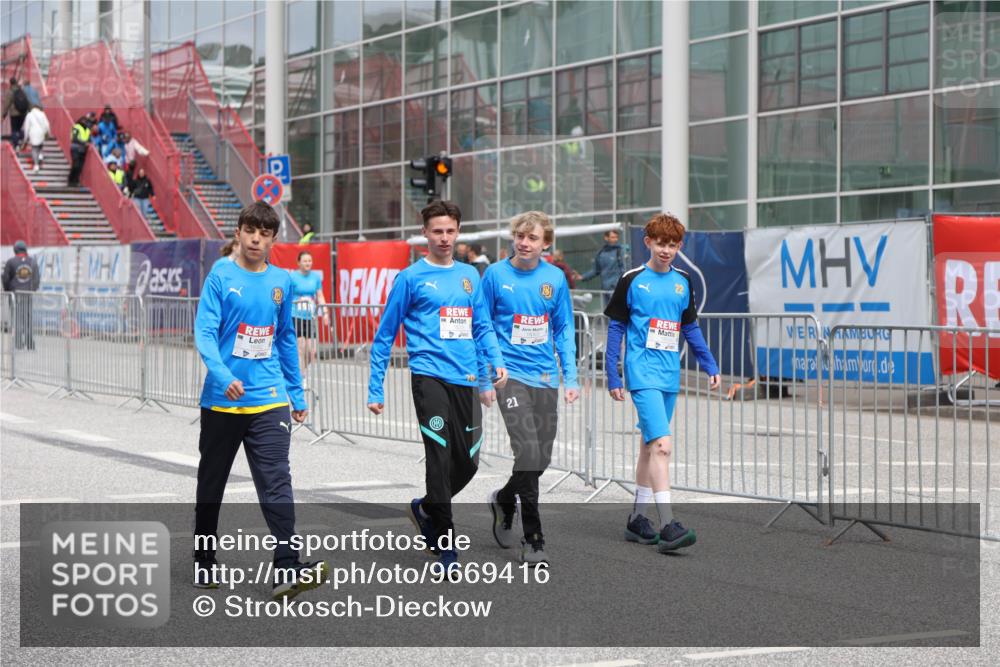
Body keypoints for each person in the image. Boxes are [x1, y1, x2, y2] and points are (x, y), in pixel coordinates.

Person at [367, 200, 507, 579]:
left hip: (465, 380)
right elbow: (383, 336)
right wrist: (374, 388)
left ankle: (426, 507)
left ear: (458, 232)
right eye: (437, 231)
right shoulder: (411, 278)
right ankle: (446, 545)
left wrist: (490, 369)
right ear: (425, 233)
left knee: (470, 462)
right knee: (440, 458)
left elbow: (480, 328)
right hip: (429, 378)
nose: (444, 238)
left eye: (450, 231)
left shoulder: (469, 276)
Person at [193, 201, 326, 599]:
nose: (256, 239)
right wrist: (223, 374)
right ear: (239, 232)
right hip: (222, 400)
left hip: (269, 397)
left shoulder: (282, 281)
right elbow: (204, 333)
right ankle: (204, 559)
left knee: (277, 479)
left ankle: (286, 565)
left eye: (265, 233)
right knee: (211, 485)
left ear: (273, 239)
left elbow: (285, 338)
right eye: (250, 230)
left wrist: (296, 393)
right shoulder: (220, 276)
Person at [605, 213, 721, 553]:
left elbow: (690, 328)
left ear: (679, 246)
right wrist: (614, 374)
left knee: (648, 446)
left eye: (672, 245)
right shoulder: (632, 280)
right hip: (641, 373)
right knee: (663, 446)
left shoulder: (683, 281)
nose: (666, 250)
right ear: (648, 243)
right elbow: (616, 328)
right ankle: (669, 523)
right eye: (660, 243)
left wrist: (709, 363)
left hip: (670, 373)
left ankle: (637, 520)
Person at [482, 211, 578, 566]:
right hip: (509, 377)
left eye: (532, 238)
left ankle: (505, 498)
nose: (524, 243)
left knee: (540, 458)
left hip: (545, 378)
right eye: (520, 236)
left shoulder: (554, 278)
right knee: (528, 451)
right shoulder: (494, 275)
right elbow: (482, 326)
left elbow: (564, 329)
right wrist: (486, 375)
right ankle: (534, 537)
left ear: (545, 243)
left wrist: (571, 377)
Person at [289, 250, 328, 379]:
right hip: (296, 315)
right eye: (305, 261)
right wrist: (297, 301)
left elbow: (320, 295)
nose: (308, 263)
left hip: (310, 316)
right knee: (301, 347)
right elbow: (287, 297)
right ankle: (301, 377)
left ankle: (301, 371)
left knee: (312, 351)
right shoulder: (292, 277)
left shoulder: (315, 277)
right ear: (299, 262)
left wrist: (326, 313)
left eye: (310, 261)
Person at [2, 240, 41, 350]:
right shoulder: (32, 262)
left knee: (17, 320)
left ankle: (18, 344)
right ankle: (29, 344)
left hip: (15, 295)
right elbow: (37, 280)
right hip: (28, 295)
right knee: (28, 319)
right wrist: (31, 291)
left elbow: (5, 279)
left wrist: (8, 291)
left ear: (15, 250)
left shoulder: (11, 262)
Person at [581, 229, 627, 306]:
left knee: (617, 311)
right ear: (606, 238)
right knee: (607, 312)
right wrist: (583, 277)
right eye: (612, 237)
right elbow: (596, 270)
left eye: (616, 237)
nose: (615, 239)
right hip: (605, 289)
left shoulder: (620, 251)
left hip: (616, 289)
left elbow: (624, 270)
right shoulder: (601, 253)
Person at [21, 104, 50, 173]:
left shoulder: (29, 115)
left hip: (33, 133)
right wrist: (47, 133)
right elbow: (47, 124)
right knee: (40, 146)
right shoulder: (42, 114)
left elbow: (27, 127)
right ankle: (40, 155)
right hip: (41, 132)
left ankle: (36, 165)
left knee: (34, 149)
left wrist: (26, 137)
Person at [2, 78, 28, 148]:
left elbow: (7, 105)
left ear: (10, 83)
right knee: (19, 129)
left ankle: (16, 145)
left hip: (14, 114)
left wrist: (3, 115)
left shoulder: (10, 92)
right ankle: (25, 137)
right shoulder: (21, 90)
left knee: (14, 130)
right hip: (23, 113)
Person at [67, 115, 91, 187]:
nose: (84, 122)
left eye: (86, 121)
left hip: (83, 150)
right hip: (76, 148)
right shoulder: (76, 127)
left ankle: (76, 180)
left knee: (80, 166)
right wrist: (84, 143)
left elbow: (88, 139)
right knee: (76, 165)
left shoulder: (87, 130)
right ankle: (71, 180)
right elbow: (74, 138)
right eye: (83, 121)